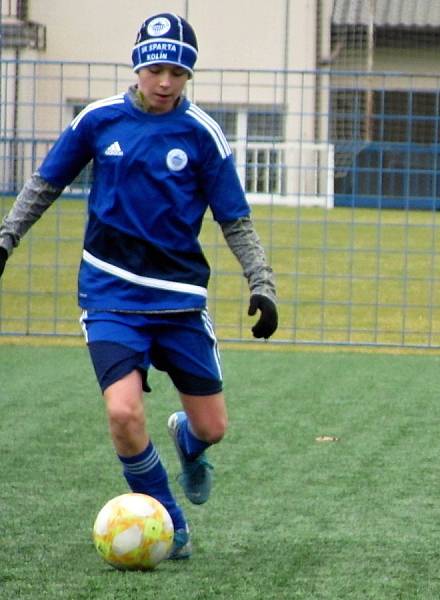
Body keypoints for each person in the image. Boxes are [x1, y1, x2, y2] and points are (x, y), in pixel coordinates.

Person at [0, 13, 279, 559]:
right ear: (137, 66)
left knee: (214, 427)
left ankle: (188, 442)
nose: (166, 82)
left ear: (188, 75)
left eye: (177, 71)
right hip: (110, 294)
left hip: (179, 300)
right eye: (156, 68)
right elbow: (44, 184)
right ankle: (170, 524)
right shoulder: (98, 122)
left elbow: (235, 221)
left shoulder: (202, 134)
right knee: (123, 413)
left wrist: (261, 285)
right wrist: (6, 238)